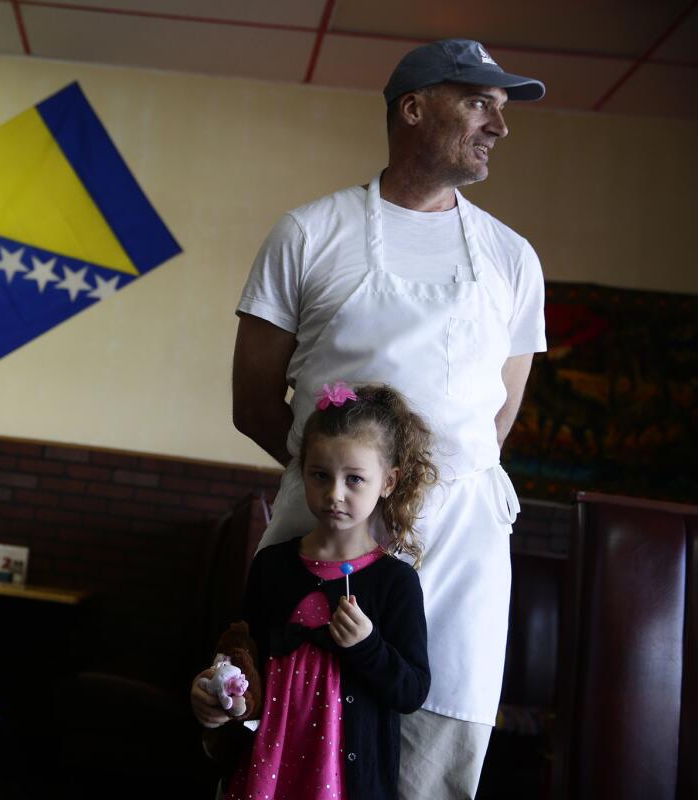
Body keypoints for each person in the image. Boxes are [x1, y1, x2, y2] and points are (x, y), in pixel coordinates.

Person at [228, 40, 547, 798]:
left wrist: (410, 495)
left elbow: (498, 419)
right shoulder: (309, 234)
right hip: (324, 535)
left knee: (435, 762)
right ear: (413, 108)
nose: (498, 125)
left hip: (460, 552)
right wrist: (349, 492)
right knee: (284, 742)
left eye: (502, 109)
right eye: (478, 102)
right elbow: (251, 403)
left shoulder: (513, 259)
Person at [195, 383, 436, 799]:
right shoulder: (273, 565)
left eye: (355, 479)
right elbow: (240, 656)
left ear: (389, 482)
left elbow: (411, 691)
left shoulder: (395, 582)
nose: (334, 494)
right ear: (301, 471)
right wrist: (216, 691)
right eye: (320, 475)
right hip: (264, 772)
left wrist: (367, 645)